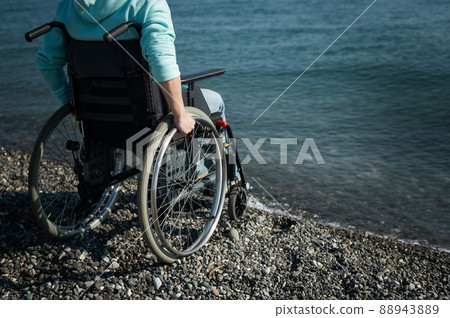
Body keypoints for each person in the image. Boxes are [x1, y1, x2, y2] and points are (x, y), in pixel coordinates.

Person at [36, 0, 226, 135]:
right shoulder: (147, 4)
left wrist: (69, 100)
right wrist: (180, 114)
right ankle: (221, 177)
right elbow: (161, 59)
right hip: (144, 112)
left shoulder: (68, 6)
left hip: (94, 111)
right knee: (216, 101)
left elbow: (47, 62)